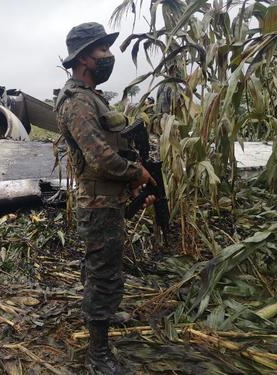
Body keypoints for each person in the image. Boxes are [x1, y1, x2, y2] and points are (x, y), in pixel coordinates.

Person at [55, 22, 156, 374]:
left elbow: (110, 148)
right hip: (97, 204)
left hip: (107, 200)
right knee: (103, 274)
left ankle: (105, 315)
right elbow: (99, 158)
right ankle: (98, 354)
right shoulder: (78, 103)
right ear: (84, 58)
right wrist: (137, 174)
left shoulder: (92, 97)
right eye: (103, 51)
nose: (110, 56)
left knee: (103, 266)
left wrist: (131, 185)